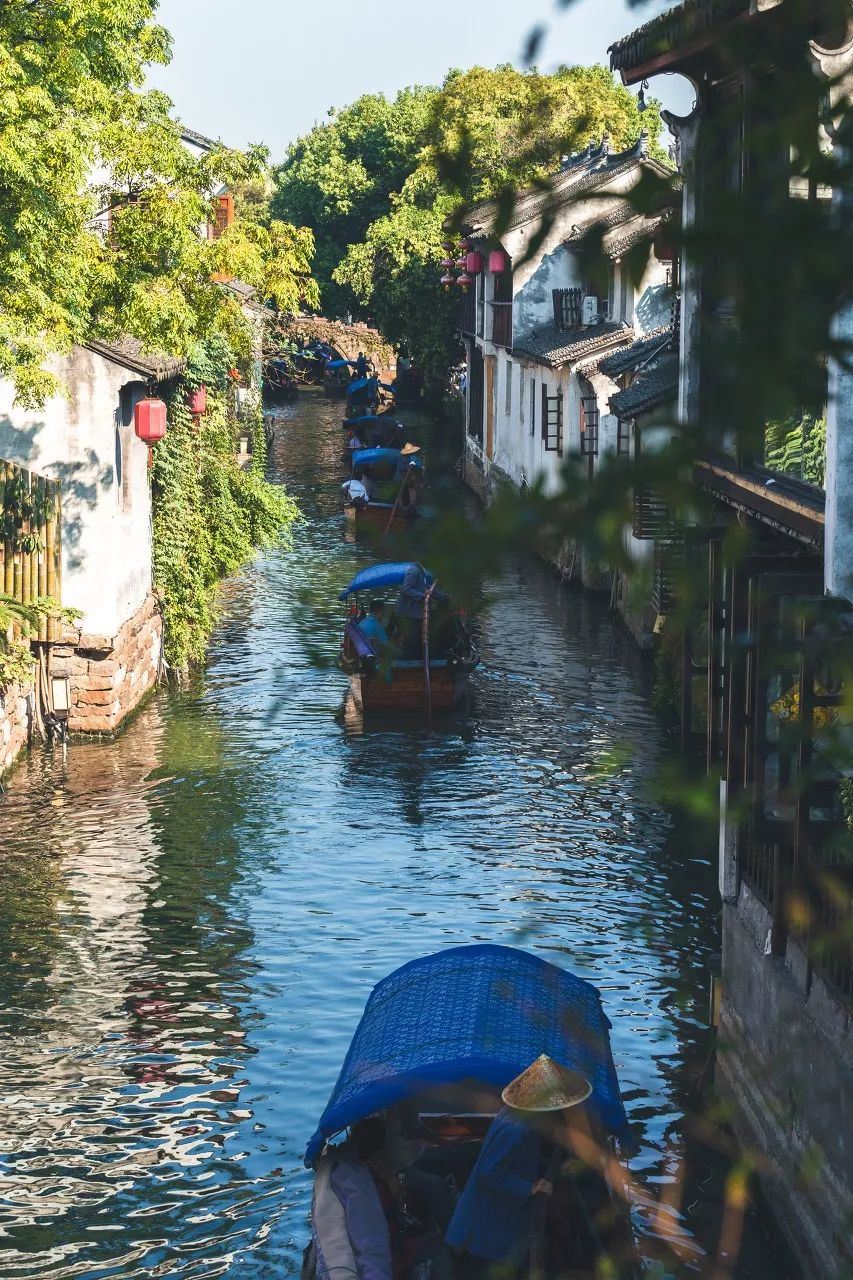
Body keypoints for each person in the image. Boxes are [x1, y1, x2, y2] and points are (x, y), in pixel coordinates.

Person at [445, 1055, 591, 1279]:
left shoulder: (520, 1118)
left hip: (495, 1221)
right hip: (483, 1227)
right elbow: (489, 1173)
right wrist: (530, 1187)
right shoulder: (516, 1130)